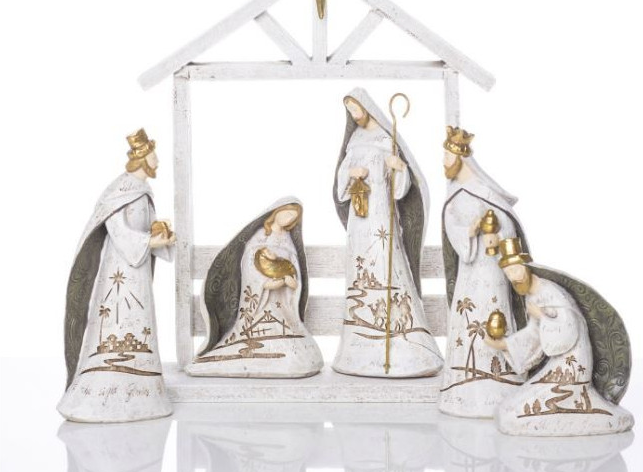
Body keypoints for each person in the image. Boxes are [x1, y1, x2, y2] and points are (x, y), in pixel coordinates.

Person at [58, 129, 176, 423]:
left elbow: (146, 228)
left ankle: (144, 388)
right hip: (120, 269)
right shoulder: (120, 191)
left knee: (138, 316)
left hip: (137, 270)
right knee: (116, 315)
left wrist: (159, 232)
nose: (158, 162)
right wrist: (149, 242)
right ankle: (103, 383)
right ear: (142, 159)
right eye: (154, 157)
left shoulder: (143, 190)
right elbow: (119, 230)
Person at [331, 89, 441, 378]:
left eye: (356, 108)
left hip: (381, 211)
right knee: (361, 265)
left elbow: (401, 190)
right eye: (350, 110)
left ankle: (403, 339)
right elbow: (341, 182)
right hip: (359, 216)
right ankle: (359, 342)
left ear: (367, 107)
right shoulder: (354, 139)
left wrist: (399, 167)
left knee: (386, 258)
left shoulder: (385, 137)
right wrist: (350, 173)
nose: (355, 114)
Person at [483, 240, 634, 437]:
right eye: (508, 274)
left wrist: (541, 316)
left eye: (515, 271)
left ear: (526, 267)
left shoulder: (552, 293)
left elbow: (568, 330)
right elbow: (535, 335)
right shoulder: (532, 296)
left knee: (513, 415)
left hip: (573, 367)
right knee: (507, 408)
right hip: (557, 366)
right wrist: (505, 344)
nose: (514, 278)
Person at [439, 125, 529, 416]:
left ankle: (502, 378)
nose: (444, 163)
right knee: (469, 318)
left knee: (495, 313)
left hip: (492, 271)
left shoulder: (484, 191)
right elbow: (453, 231)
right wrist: (471, 230)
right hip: (469, 272)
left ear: (460, 158)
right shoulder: (455, 195)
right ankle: (464, 380)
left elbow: (510, 227)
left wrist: (496, 234)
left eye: (447, 157)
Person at [186, 198, 322, 377]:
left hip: (281, 300)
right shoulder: (259, 235)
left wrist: (292, 282)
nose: (289, 219)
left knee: (290, 335)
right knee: (258, 324)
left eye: (293, 218)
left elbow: (293, 265)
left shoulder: (288, 239)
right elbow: (250, 263)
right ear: (277, 211)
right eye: (288, 213)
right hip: (261, 297)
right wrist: (264, 282)